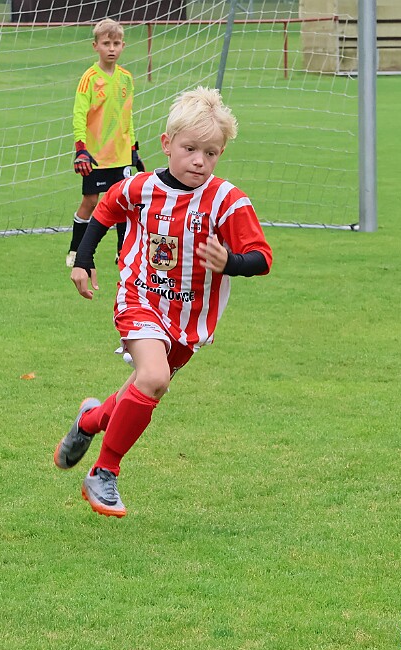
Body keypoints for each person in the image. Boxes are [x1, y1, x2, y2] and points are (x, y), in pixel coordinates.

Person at [53, 87, 273, 517]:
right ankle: (103, 472)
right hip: (139, 297)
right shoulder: (139, 188)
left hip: (189, 320)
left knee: (141, 388)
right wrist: (83, 259)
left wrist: (230, 261)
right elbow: (105, 210)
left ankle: (89, 421)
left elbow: (261, 258)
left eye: (210, 153)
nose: (199, 161)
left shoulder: (227, 201)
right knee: (154, 377)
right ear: (167, 144)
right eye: (190, 149)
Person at [66, 17, 145, 268]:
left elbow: (127, 116)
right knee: (90, 202)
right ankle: (75, 250)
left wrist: (133, 149)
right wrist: (81, 149)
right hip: (95, 156)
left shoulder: (126, 78)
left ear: (123, 46)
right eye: (106, 43)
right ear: (95, 46)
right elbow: (79, 115)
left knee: (123, 203)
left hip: (120, 155)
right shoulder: (89, 78)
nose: (112, 48)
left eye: (116, 43)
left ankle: (123, 252)